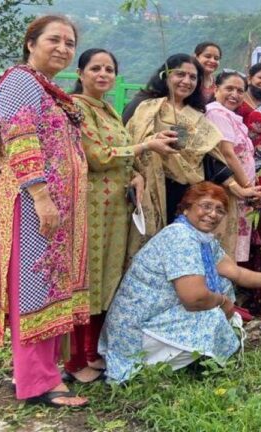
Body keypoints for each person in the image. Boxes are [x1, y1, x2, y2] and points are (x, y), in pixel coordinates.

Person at [0, 15, 89, 407]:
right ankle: (37, 384)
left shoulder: (47, 88)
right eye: (54, 39)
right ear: (30, 43)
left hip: (54, 209)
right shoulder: (21, 81)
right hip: (33, 206)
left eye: (69, 43)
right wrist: (41, 195)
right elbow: (21, 139)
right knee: (35, 290)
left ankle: (45, 373)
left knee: (52, 288)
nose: (63, 48)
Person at [99, 182, 261, 383]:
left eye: (219, 210)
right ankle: (147, 365)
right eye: (205, 206)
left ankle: (187, 355)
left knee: (222, 283)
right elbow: (194, 298)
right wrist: (223, 303)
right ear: (187, 207)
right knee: (212, 315)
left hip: (151, 320)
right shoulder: (180, 236)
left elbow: (234, 272)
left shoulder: (202, 239)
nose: (213, 214)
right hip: (135, 334)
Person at [65, 48, 169, 384]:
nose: (103, 74)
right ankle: (74, 359)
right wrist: (144, 147)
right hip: (92, 208)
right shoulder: (77, 108)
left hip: (116, 210)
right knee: (88, 278)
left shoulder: (108, 108)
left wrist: (136, 174)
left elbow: (122, 156)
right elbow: (97, 156)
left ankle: (93, 351)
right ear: (80, 73)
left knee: (109, 279)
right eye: (95, 68)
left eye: (109, 69)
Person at [123, 54, 255, 255]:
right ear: (165, 75)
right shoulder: (147, 107)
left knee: (181, 251)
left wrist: (239, 188)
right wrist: (150, 146)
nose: (186, 81)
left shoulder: (197, 115)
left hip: (187, 193)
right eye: (180, 74)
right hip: (150, 189)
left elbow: (210, 158)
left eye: (193, 77)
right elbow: (128, 143)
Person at [205, 71, 260, 262]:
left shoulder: (230, 116)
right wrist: (247, 187)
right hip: (230, 188)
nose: (234, 94)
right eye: (229, 88)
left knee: (231, 242)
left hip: (238, 189)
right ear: (215, 89)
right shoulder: (216, 113)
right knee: (222, 240)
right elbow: (227, 153)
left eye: (240, 90)